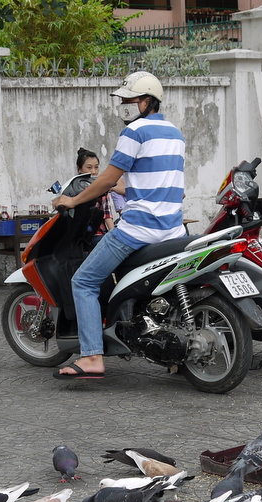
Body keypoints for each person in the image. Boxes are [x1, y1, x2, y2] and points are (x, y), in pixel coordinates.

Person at [52, 72, 186, 379]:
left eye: (130, 99)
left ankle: (91, 357)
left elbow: (108, 178)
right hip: (174, 231)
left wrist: (72, 201)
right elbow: (145, 184)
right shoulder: (174, 133)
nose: (124, 105)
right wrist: (113, 188)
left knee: (83, 281)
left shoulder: (134, 132)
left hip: (138, 230)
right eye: (122, 100)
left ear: (148, 101)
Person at [75, 147, 114, 238]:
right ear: (79, 169)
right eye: (89, 167)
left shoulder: (101, 189)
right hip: (76, 236)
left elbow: (107, 215)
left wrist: (113, 236)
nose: (94, 171)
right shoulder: (72, 188)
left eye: (96, 167)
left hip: (97, 234)